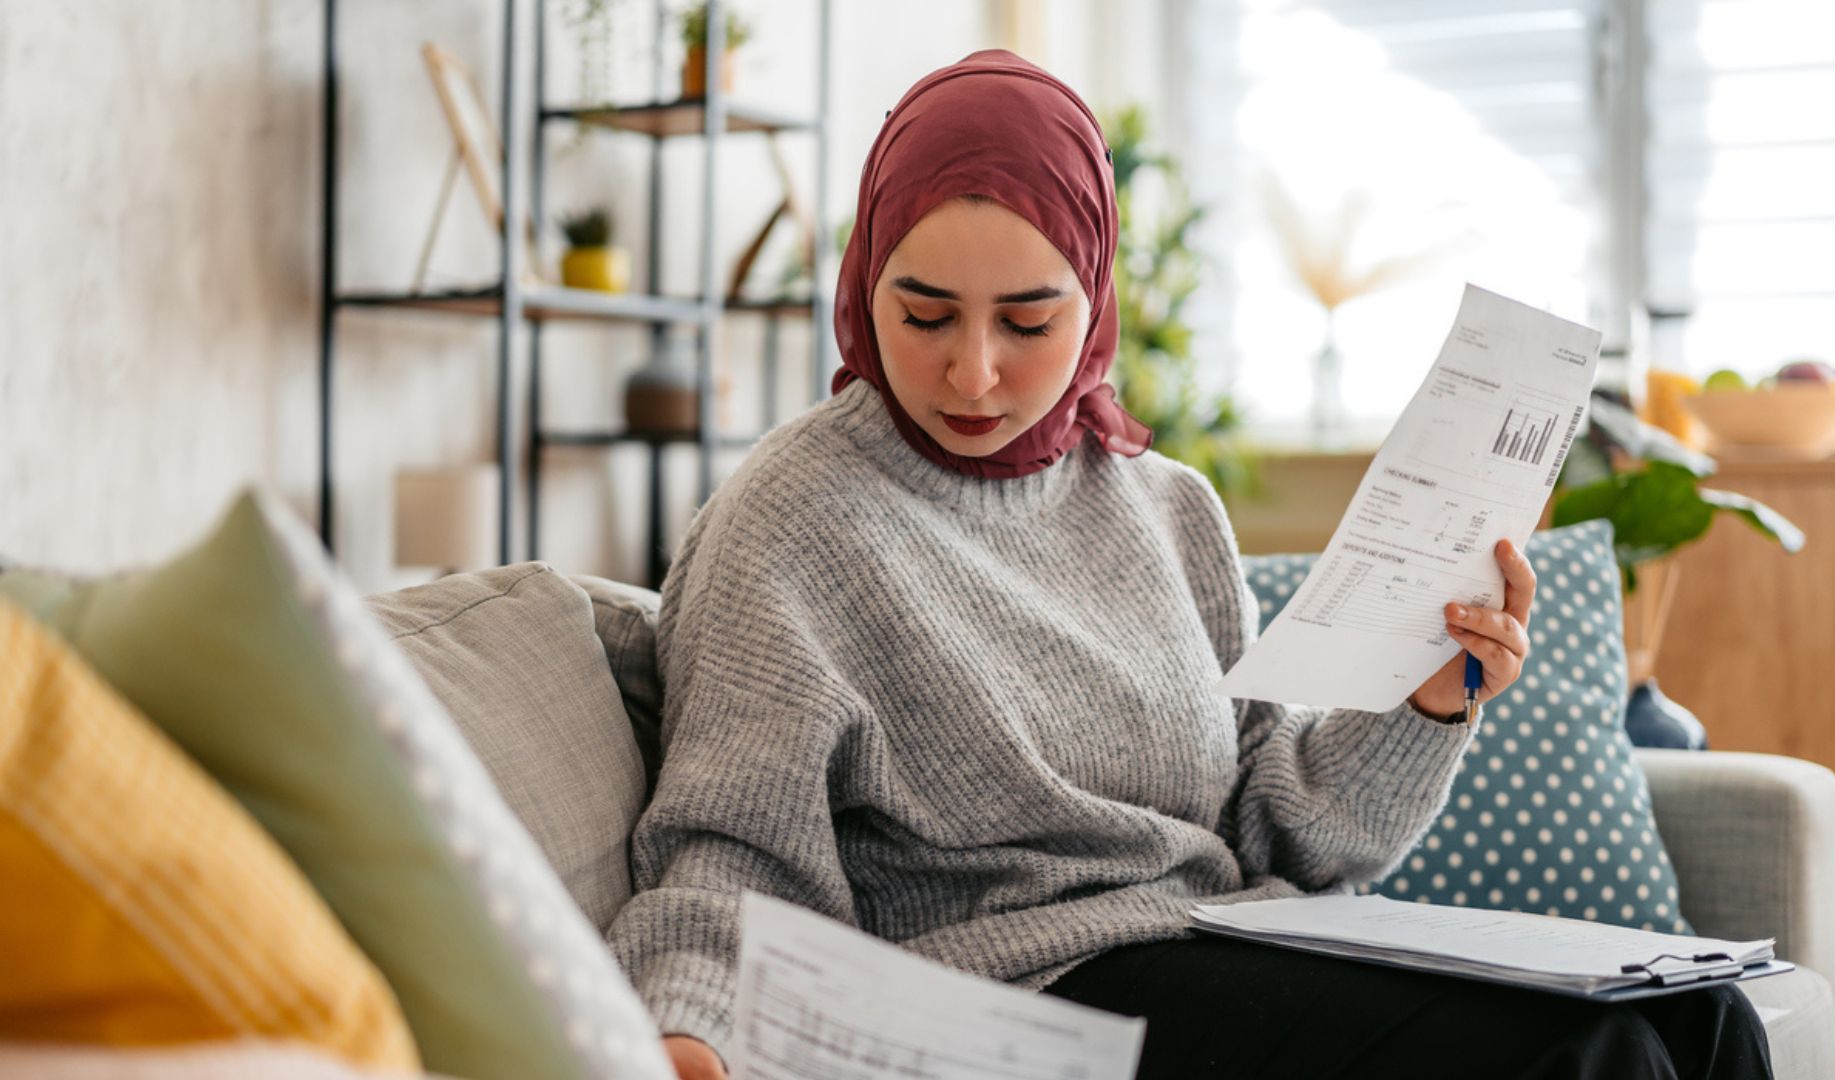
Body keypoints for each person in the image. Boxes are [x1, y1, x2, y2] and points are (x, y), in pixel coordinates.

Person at [605, 49, 1774, 1080]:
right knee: (1594, 1056)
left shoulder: (1165, 508)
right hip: (1017, 1003)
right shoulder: (787, 522)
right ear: (864, 290)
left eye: (1026, 322)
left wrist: (1424, 701)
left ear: (1098, 296)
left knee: (1711, 1022)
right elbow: (723, 855)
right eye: (923, 316)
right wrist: (689, 1031)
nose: (972, 375)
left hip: (1229, 940)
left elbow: (1282, 828)